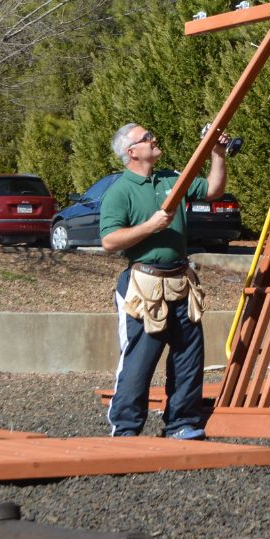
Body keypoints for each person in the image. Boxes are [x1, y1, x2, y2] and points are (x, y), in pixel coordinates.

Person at [99, 122, 229, 439]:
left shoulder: (172, 179)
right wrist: (150, 226)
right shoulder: (120, 191)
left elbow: (213, 190)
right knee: (140, 359)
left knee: (188, 356)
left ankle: (182, 423)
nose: (154, 139)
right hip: (143, 285)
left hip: (180, 281)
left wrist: (218, 153)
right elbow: (109, 241)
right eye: (147, 138)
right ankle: (126, 429)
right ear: (132, 152)